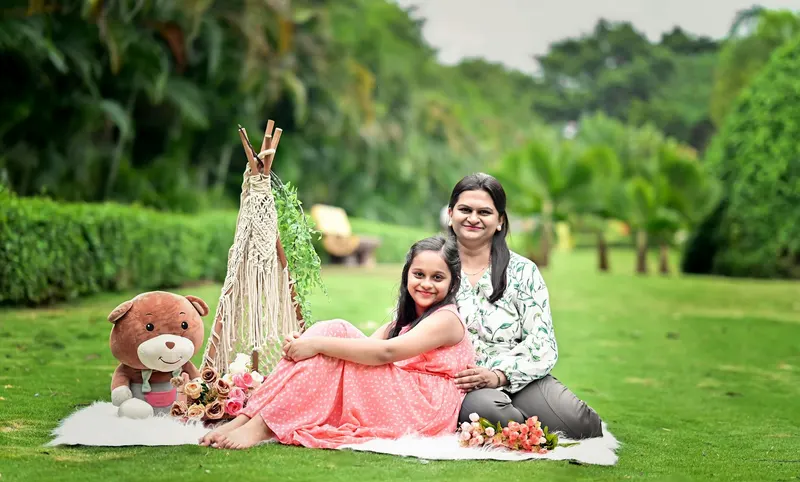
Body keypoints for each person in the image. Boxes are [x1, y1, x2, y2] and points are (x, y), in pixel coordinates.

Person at [200, 235, 476, 450]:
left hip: (424, 409)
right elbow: (362, 350)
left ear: (452, 283)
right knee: (333, 335)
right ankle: (247, 419)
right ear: (407, 275)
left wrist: (317, 344)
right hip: (405, 396)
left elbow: (385, 352)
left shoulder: (446, 319)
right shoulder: (406, 317)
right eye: (419, 274)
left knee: (336, 330)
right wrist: (309, 343)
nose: (426, 284)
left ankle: (260, 425)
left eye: (437, 277)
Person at [447, 172, 603, 439]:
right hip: (465, 384)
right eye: (465, 210)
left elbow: (543, 342)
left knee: (583, 425)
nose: (473, 218)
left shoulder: (522, 271)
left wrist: (498, 375)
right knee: (490, 411)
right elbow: (406, 324)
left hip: (518, 374)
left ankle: (524, 423)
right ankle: (525, 428)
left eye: (484, 212)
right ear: (451, 214)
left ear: (499, 221)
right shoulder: (434, 267)